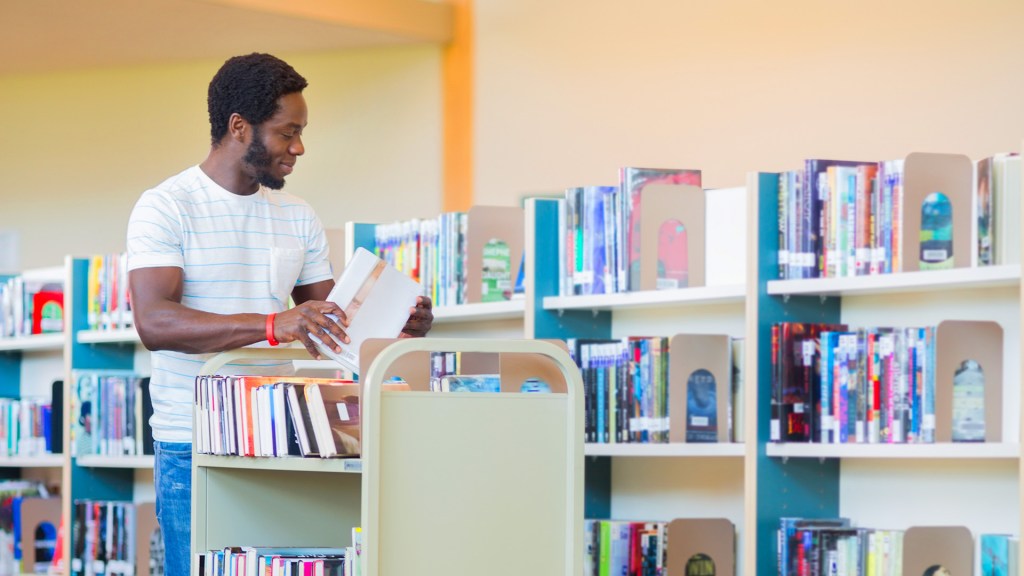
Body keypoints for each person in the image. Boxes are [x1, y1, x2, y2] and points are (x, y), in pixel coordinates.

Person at [125, 53, 433, 576]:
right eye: (287, 132)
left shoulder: (297, 215)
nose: (299, 147)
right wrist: (273, 325)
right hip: (192, 442)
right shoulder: (167, 206)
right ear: (239, 127)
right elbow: (155, 322)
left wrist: (401, 321)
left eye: (302, 131)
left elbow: (336, 326)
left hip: (281, 435)